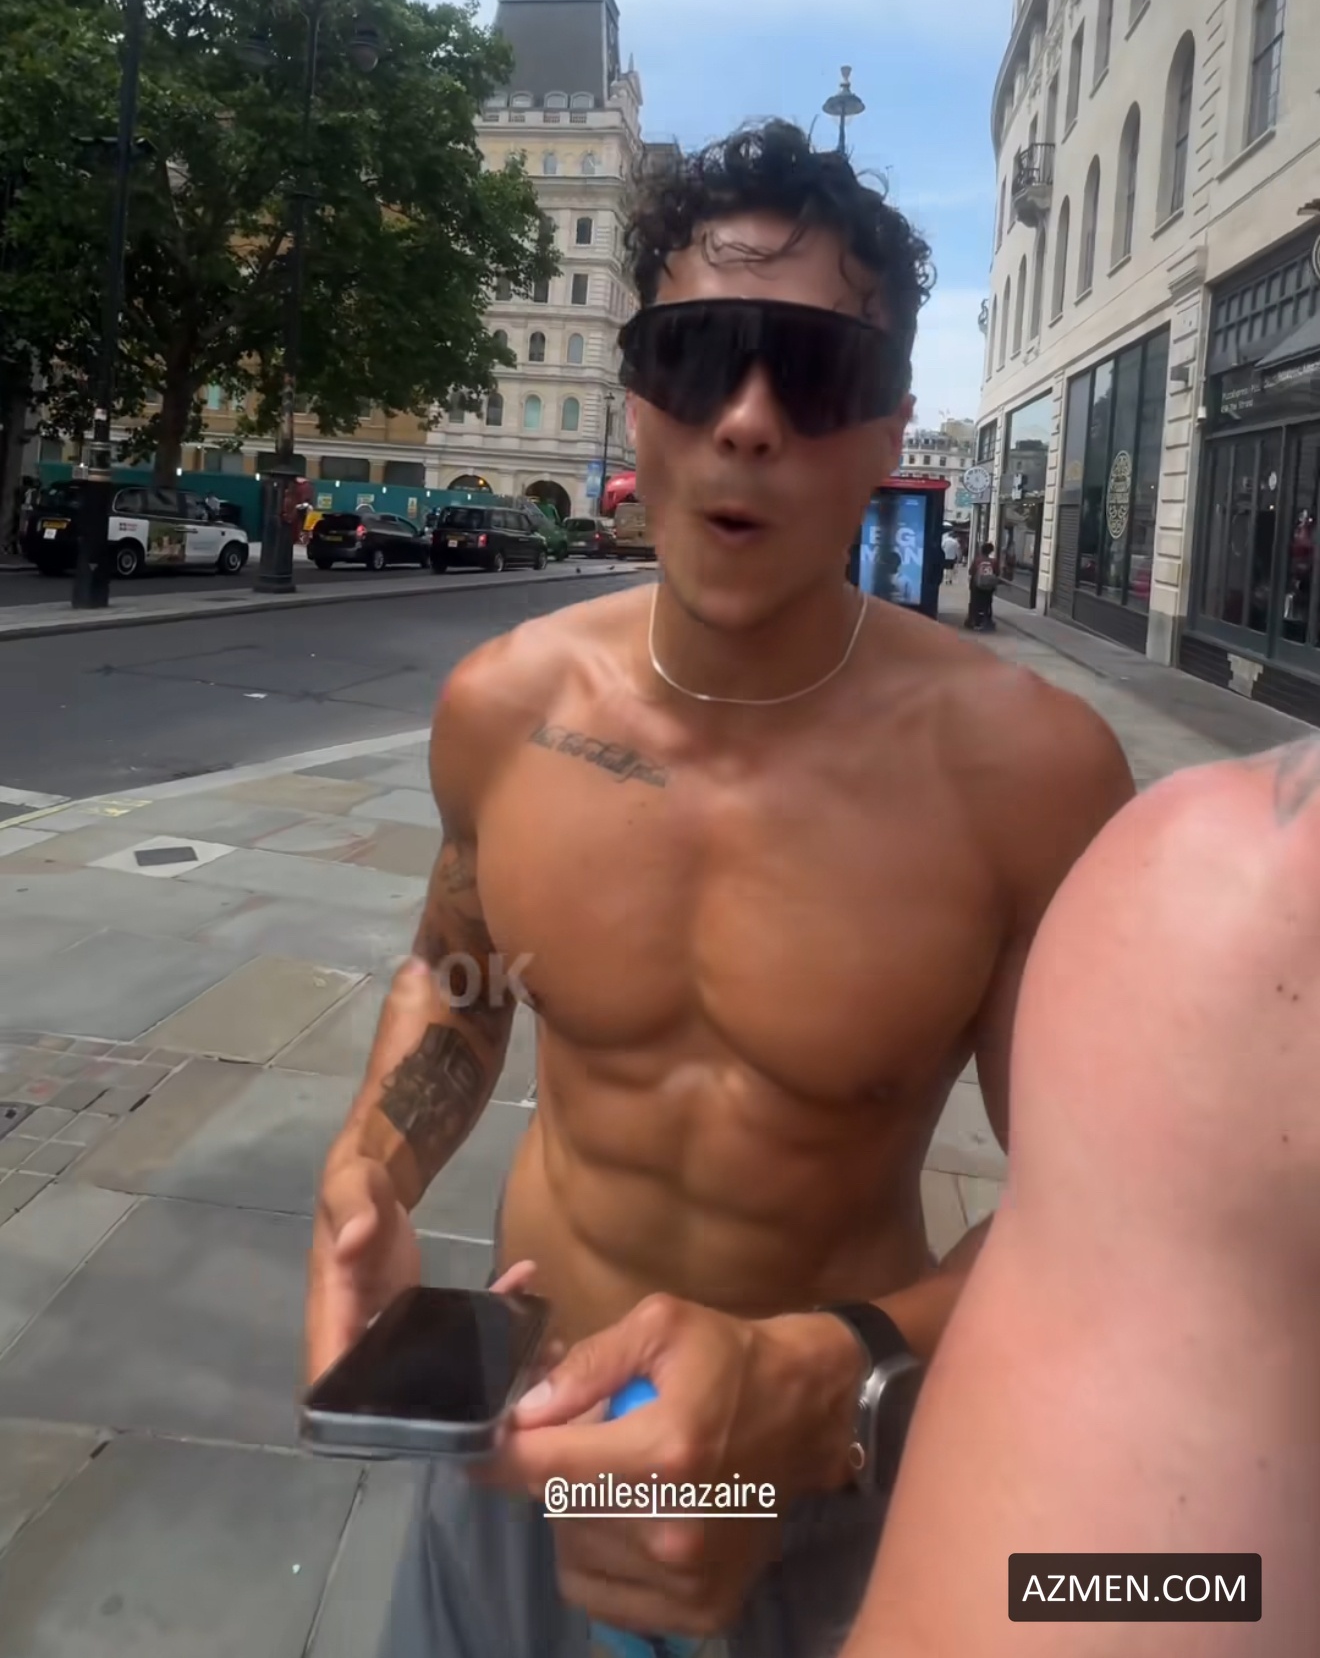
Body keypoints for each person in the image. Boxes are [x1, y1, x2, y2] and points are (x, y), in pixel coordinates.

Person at [305, 120, 1133, 1658]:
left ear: (887, 433)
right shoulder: (504, 704)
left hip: (809, 1484)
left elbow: (1109, 1217)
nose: (748, 420)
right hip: (526, 1440)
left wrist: (837, 1383)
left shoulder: (1026, 773)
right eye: (698, 359)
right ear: (639, 399)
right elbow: (460, 978)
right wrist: (370, 1170)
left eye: (813, 373)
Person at [841, 735, 1320, 1657]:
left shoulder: (1229, 881)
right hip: (555, 1408)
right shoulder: (1241, 895)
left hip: (837, 1439)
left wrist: (845, 1363)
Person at [965, 540, 998, 632]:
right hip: (988, 588)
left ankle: (973, 620)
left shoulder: (977, 560)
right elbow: (997, 573)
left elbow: (971, 572)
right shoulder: (994, 561)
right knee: (987, 604)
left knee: (974, 603)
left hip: (977, 586)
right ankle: (987, 621)